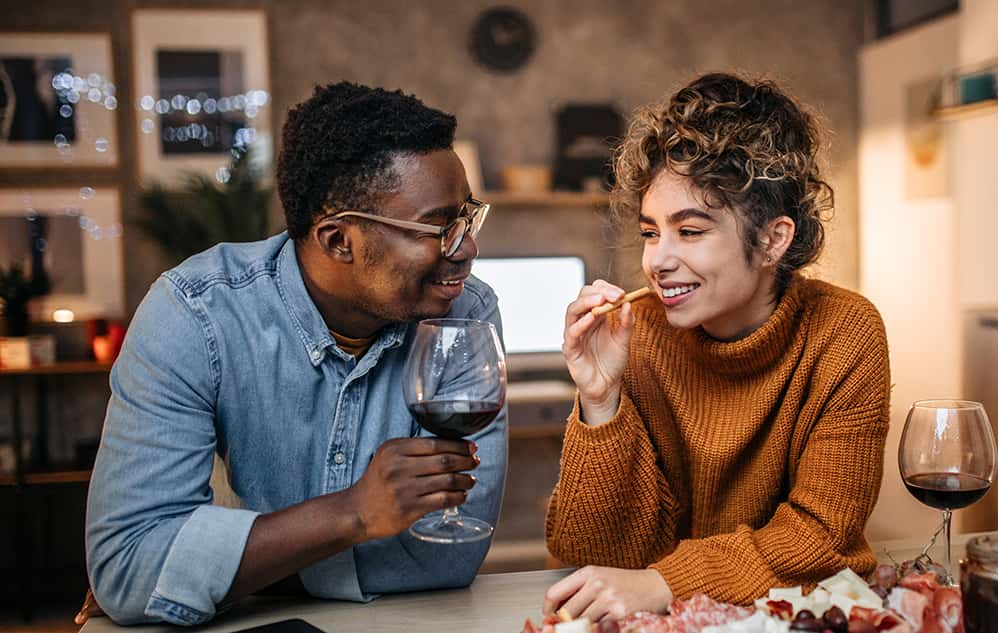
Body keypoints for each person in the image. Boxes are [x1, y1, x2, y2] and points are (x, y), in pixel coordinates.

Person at [82, 83, 507, 626]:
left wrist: (207, 576)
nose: (466, 247)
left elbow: (447, 553)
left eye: (468, 217)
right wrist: (353, 514)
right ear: (336, 241)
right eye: (439, 227)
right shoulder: (195, 314)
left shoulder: (466, 315)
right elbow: (128, 567)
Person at [542, 72, 890, 623]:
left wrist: (664, 580)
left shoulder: (845, 332)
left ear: (774, 239)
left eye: (692, 230)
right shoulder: (641, 335)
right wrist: (599, 399)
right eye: (652, 231)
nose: (656, 260)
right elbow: (593, 558)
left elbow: (819, 539)